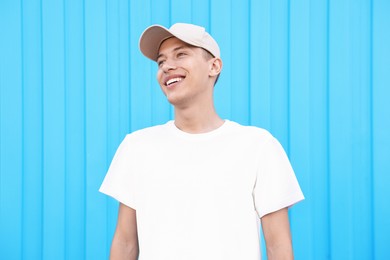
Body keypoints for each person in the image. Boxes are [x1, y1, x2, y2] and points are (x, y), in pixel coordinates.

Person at [100, 23, 304, 260]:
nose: (167, 66)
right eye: (161, 61)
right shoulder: (136, 147)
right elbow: (125, 244)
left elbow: (278, 246)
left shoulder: (258, 146)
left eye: (181, 54)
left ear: (214, 66)